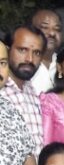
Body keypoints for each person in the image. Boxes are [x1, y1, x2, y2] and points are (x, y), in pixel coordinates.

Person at [3, 25, 47, 153]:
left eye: (37, 53)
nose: (29, 59)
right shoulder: (2, 91)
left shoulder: (32, 92)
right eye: (22, 50)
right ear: (7, 50)